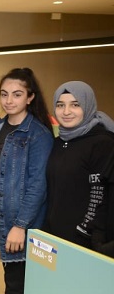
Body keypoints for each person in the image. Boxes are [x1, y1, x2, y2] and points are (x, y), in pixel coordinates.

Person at [0, 68, 53, 294]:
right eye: (4, 94)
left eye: (17, 94)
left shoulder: (38, 135)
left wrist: (20, 226)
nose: (9, 100)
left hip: (16, 224)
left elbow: (38, 185)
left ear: (30, 97)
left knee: (17, 292)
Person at [45, 81, 114, 256]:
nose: (66, 111)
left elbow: (100, 194)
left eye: (75, 105)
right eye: (60, 105)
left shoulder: (102, 143)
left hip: (84, 240)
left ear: (87, 105)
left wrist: (85, 230)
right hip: (54, 235)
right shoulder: (58, 142)